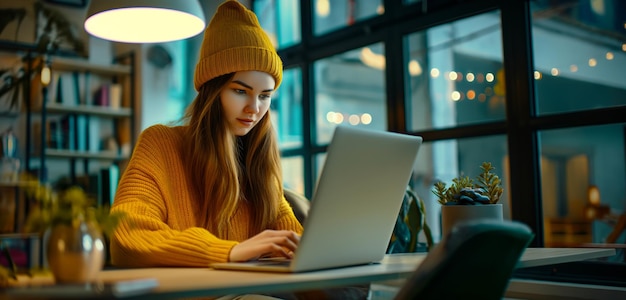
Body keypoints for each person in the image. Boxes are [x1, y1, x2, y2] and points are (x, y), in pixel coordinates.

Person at [109, 0, 302, 269]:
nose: (254, 108)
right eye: (240, 91)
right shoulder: (160, 143)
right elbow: (127, 237)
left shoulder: (258, 161)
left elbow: (298, 249)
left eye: (265, 96)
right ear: (212, 92)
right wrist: (230, 252)